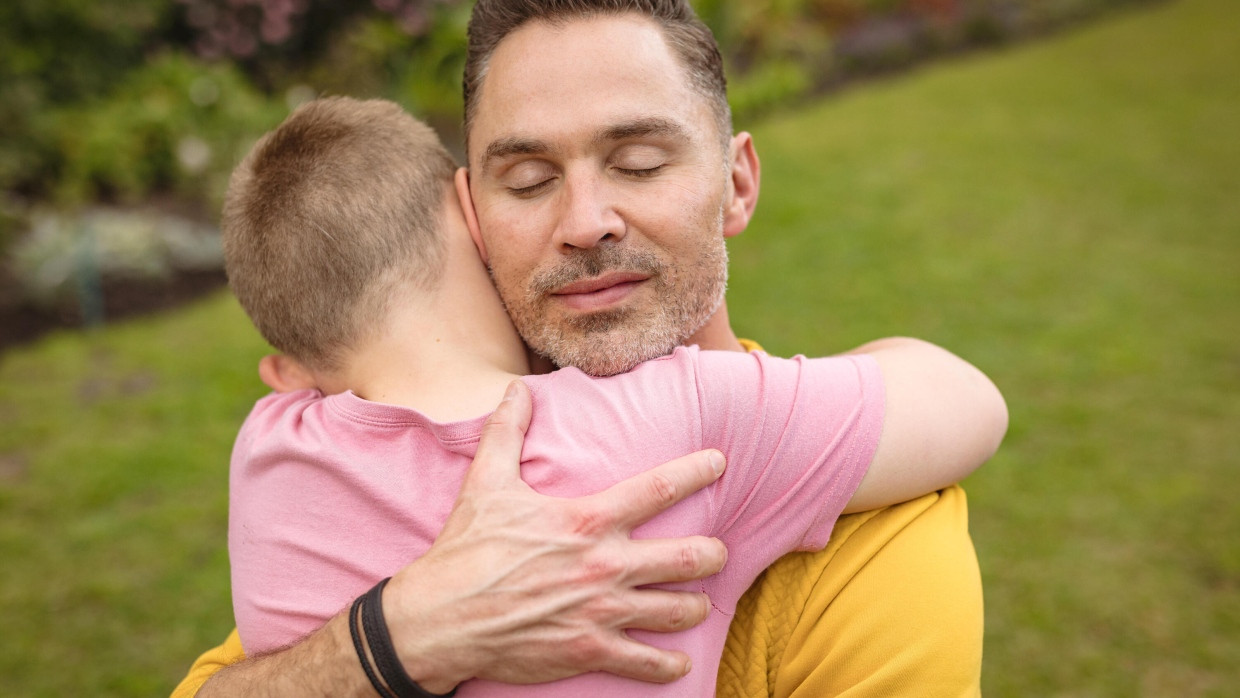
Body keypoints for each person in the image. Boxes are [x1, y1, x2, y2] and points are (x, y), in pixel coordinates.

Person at [176, 1, 996, 695]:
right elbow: (966, 398)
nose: (584, 222)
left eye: (638, 163)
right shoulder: (678, 424)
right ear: (471, 215)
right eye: (529, 181)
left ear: (736, 184)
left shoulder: (886, 558)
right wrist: (398, 633)